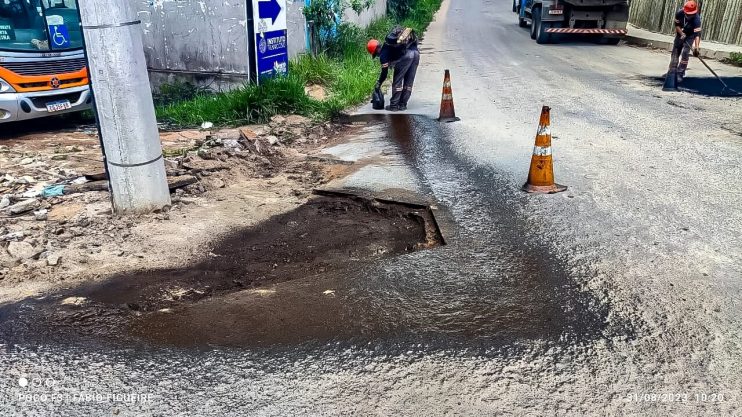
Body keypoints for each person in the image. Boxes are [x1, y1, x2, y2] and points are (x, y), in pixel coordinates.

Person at [367, 26, 420, 111]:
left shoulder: (383, 54)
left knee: (397, 82)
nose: (377, 56)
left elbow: (384, 73)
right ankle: (402, 104)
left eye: (375, 54)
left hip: (406, 56)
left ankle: (394, 106)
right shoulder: (389, 45)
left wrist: (378, 83)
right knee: (408, 82)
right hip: (416, 53)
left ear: (376, 50)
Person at [673, 1, 702, 82]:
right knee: (676, 51)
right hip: (680, 33)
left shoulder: (697, 19)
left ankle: (680, 73)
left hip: (691, 35)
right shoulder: (679, 13)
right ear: (685, 11)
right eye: (689, 14)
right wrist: (681, 33)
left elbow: (697, 35)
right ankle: (672, 70)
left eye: (692, 14)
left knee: (685, 52)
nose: (691, 16)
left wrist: (696, 47)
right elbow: (677, 25)